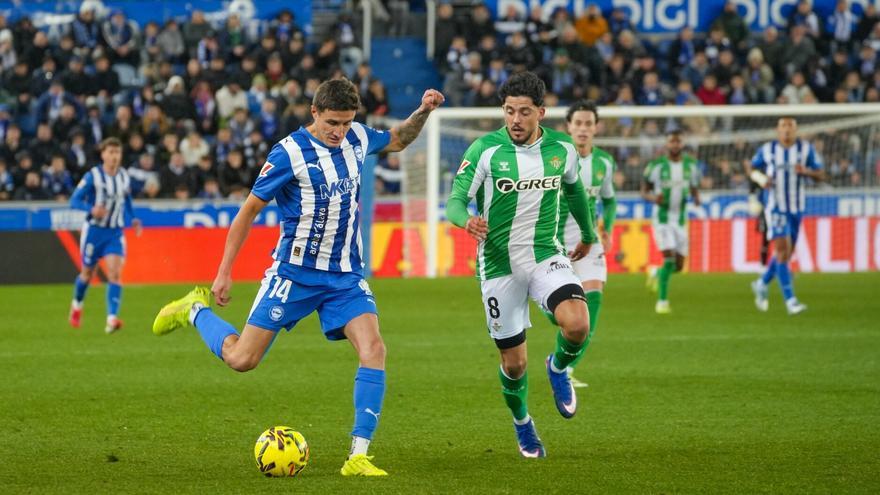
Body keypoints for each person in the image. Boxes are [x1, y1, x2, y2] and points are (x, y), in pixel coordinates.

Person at [151, 79, 444, 476]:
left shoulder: (357, 137)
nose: (339, 132)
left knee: (374, 349)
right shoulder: (288, 153)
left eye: (345, 123)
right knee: (242, 359)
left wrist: (422, 112)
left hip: (344, 275)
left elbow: (397, 139)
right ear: (314, 112)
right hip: (294, 274)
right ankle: (194, 310)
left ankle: (358, 454)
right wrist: (223, 273)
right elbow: (248, 212)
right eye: (332, 124)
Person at [446, 72, 596, 458]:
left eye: (524, 112)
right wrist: (466, 219)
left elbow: (575, 189)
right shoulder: (485, 151)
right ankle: (522, 423)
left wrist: (589, 234)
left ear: (541, 113)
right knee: (514, 365)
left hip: (546, 254)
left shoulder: (562, 149)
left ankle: (559, 368)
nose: (515, 119)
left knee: (578, 323)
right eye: (509, 111)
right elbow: (455, 200)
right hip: (498, 267)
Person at [553, 100, 616, 388]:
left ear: (596, 128)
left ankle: (564, 369)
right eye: (577, 123)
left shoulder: (604, 162)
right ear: (568, 127)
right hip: (555, 242)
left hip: (589, 242)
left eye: (588, 123)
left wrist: (608, 228)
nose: (582, 128)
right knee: (566, 314)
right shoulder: (555, 157)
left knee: (594, 301)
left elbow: (609, 199)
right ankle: (560, 356)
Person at [750, 117, 824, 315]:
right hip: (775, 207)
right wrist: (761, 179)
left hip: (796, 208)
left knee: (785, 254)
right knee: (782, 251)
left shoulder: (806, 150)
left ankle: (761, 282)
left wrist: (806, 172)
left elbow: (821, 174)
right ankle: (791, 301)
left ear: (796, 130)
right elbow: (751, 168)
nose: (787, 131)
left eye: (790, 127)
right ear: (777, 130)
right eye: (783, 126)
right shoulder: (767, 149)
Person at [68, 137, 142, 333]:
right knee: (87, 274)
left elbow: (127, 199)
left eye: (117, 152)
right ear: (103, 155)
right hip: (94, 232)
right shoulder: (93, 176)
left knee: (115, 273)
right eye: (110, 152)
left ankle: (111, 318)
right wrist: (91, 209)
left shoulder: (124, 176)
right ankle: (77, 305)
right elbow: (73, 201)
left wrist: (133, 218)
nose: (114, 156)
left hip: (115, 232)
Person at [642, 130, 701, 314]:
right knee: (668, 259)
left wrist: (696, 197)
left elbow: (693, 186)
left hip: (681, 220)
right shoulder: (656, 166)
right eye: (672, 142)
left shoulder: (691, 166)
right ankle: (662, 301)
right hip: (662, 220)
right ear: (667, 144)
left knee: (679, 266)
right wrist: (653, 198)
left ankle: (656, 273)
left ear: (682, 144)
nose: (675, 145)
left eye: (678, 141)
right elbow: (644, 190)